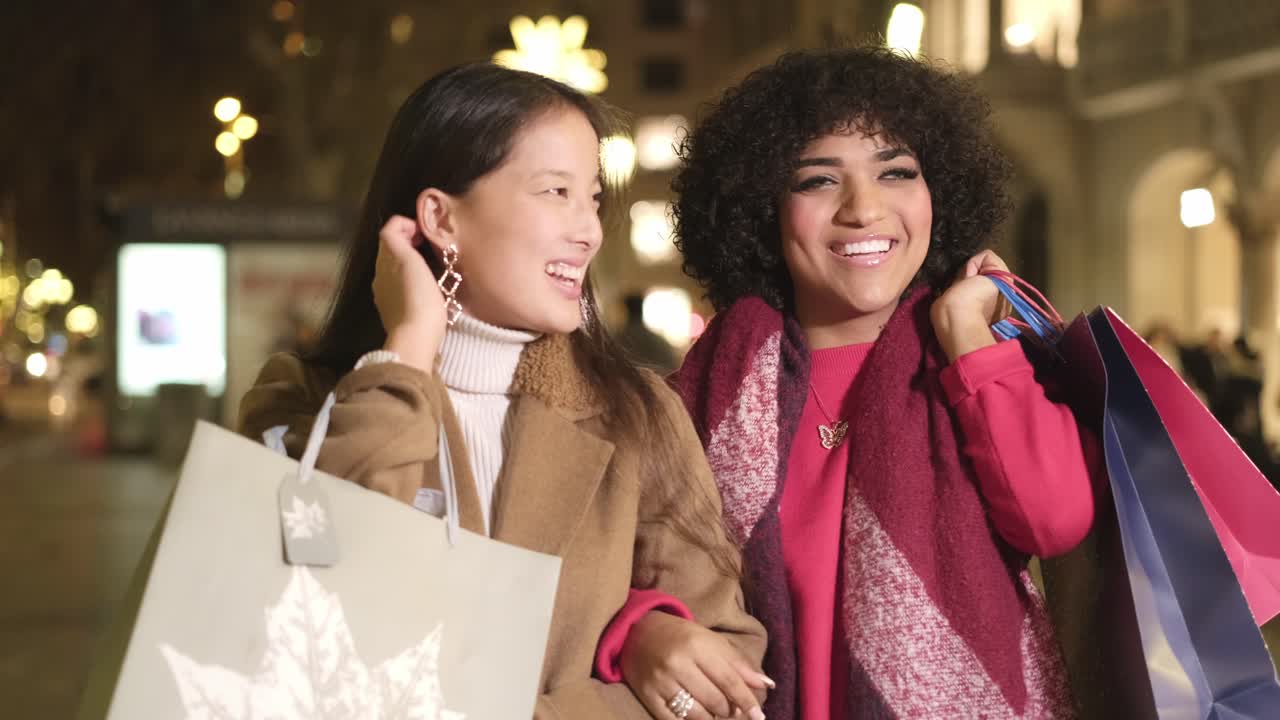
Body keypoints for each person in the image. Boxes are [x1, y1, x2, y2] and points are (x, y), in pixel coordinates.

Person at [237, 62, 767, 719]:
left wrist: (635, 639)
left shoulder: (638, 415)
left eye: (593, 197)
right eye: (555, 192)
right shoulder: (301, 401)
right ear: (440, 217)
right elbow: (312, 593)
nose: (588, 230)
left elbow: (725, 669)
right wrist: (406, 350)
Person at [595, 47, 1096, 719]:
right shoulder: (707, 387)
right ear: (763, 209)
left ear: (938, 194)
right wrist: (645, 628)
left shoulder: (979, 360)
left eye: (897, 172)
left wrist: (969, 335)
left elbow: (1054, 518)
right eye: (818, 181)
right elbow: (606, 564)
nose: (864, 209)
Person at [615, 291, 679, 373]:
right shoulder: (656, 340)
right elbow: (670, 366)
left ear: (625, 309)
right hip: (653, 382)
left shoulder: (617, 339)